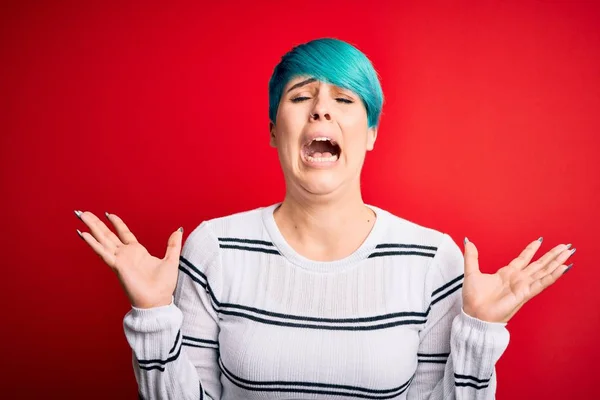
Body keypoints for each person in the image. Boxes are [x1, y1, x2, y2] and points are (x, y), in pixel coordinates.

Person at [74, 38, 575, 399]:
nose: (320, 111)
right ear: (274, 131)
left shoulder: (432, 259)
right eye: (300, 97)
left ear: (371, 133)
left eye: (343, 99)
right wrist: (155, 317)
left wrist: (480, 333)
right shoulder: (214, 249)